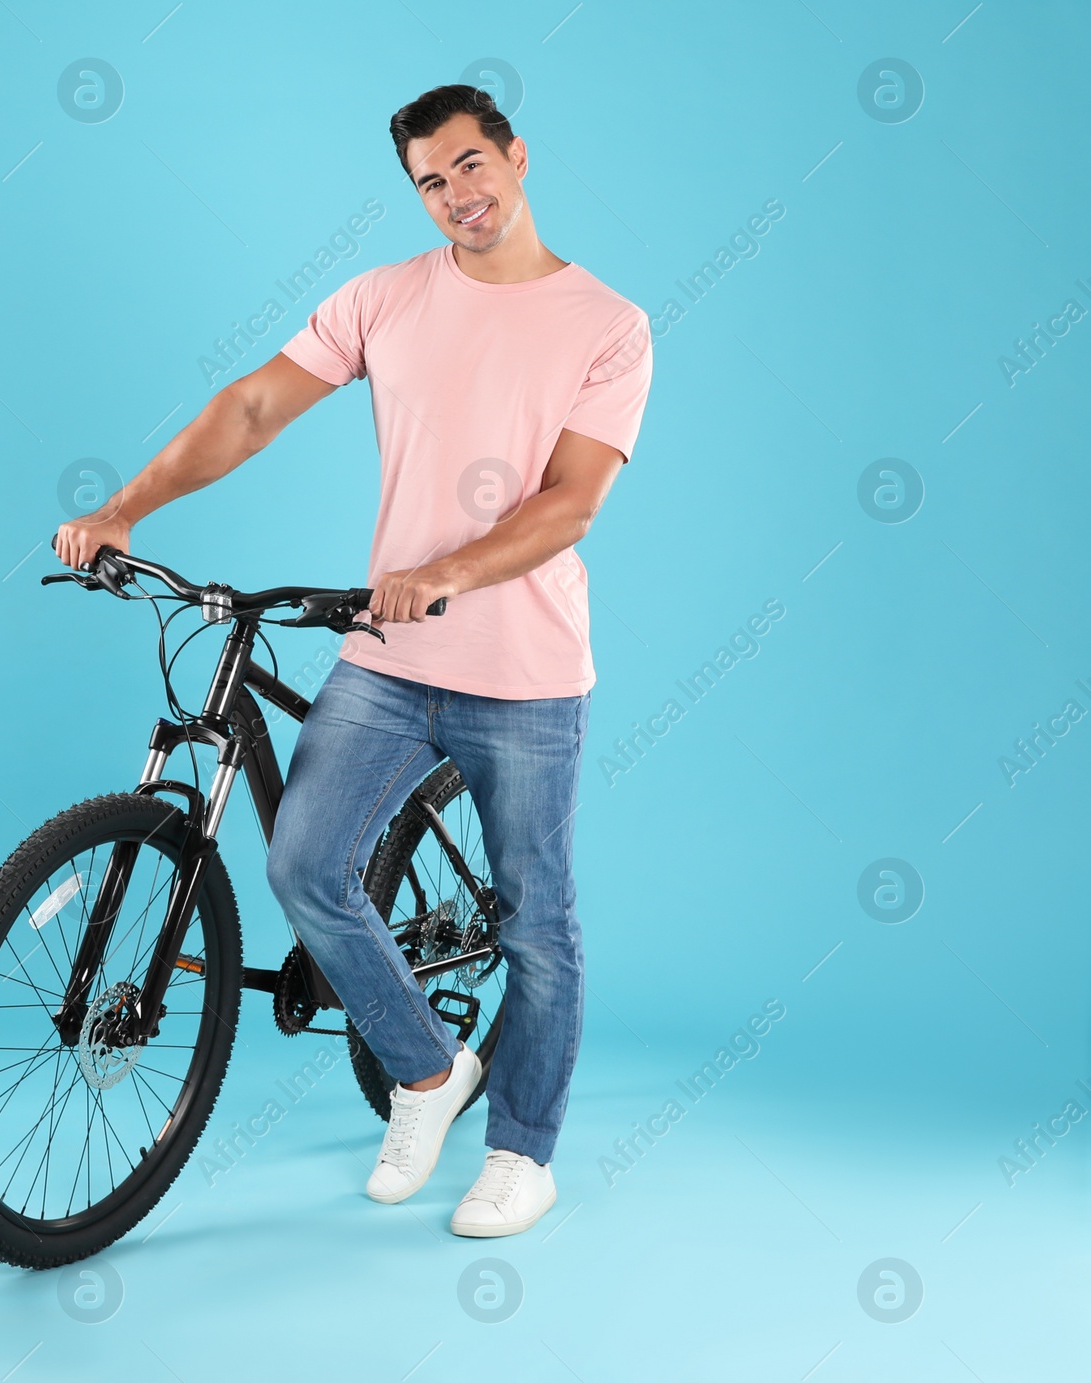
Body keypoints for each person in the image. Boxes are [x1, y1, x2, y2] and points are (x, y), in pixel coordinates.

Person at [53, 83, 653, 1237]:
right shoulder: (385, 297)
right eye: (431, 181)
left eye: (471, 164)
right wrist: (126, 508)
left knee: (535, 917)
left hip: (524, 671)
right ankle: (431, 1076)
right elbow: (249, 410)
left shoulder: (606, 323)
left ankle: (523, 1154)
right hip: (386, 658)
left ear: (517, 157)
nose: (457, 195)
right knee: (302, 868)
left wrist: (449, 572)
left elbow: (571, 502)